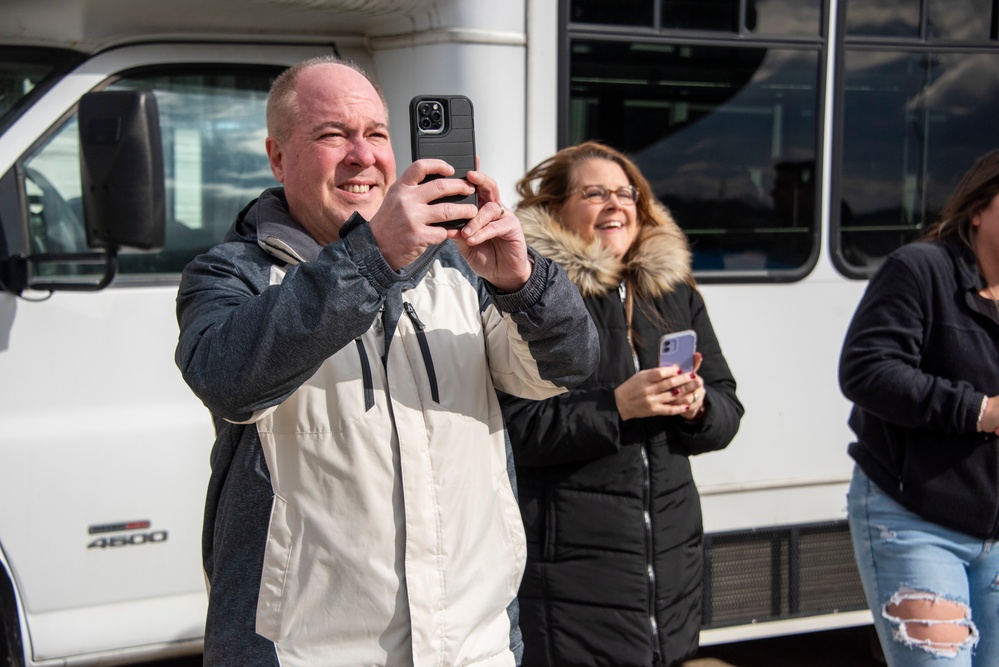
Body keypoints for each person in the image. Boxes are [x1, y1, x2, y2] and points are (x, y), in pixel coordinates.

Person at [174, 56, 599, 667]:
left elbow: (569, 367)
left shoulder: (459, 266)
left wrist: (523, 282)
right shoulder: (228, 274)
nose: (361, 154)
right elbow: (229, 380)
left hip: (473, 650)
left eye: (375, 134)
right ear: (277, 157)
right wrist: (374, 256)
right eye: (331, 135)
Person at [498, 141, 744, 667]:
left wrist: (699, 404)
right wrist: (617, 408)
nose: (616, 204)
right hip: (571, 569)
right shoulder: (533, 298)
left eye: (625, 192)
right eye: (594, 193)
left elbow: (728, 411)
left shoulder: (675, 293)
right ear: (556, 209)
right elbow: (512, 431)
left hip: (671, 563)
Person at [840, 149, 999, 666]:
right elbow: (867, 370)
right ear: (977, 209)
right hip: (915, 521)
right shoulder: (920, 269)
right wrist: (978, 411)